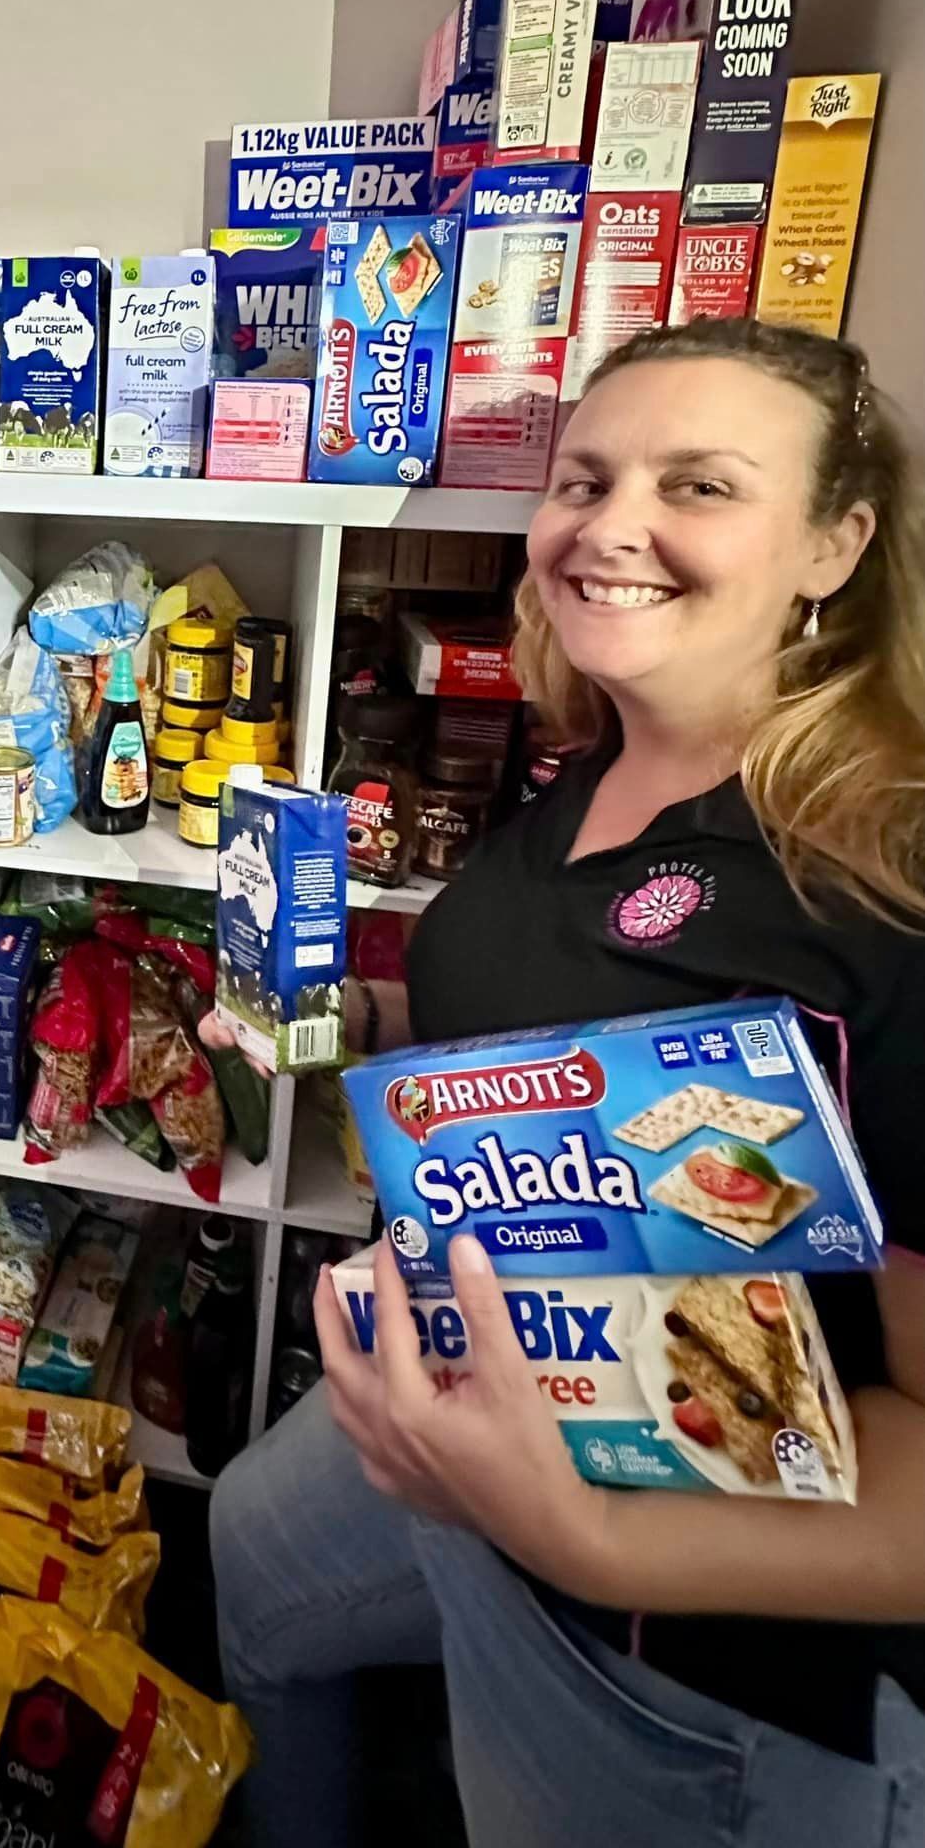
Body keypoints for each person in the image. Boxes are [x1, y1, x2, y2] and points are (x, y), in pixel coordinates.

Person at [211, 320, 925, 1846]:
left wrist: (586, 1539)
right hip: (472, 1410)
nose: (608, 529)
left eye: (699, 486)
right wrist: (338, 1020)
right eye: (582, 479)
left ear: (833, 544)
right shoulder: (592, 759)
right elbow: (545, 1060)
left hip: (683, 1667)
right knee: (255, 1579)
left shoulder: (882, 890)